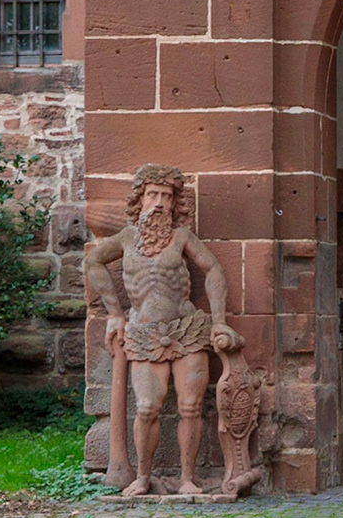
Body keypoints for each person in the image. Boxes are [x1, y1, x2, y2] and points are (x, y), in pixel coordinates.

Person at [84, 165, 242, 496]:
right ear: (140, 200)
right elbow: (93, 261)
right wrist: (114, 314)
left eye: (167, 197)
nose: (159, 203)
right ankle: (143, 477)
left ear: (174, 203)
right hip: (144, 333)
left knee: (191, 407)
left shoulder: (182, 237)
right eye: (153, 195)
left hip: (186, 331)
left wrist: (218, 320)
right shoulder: (127, 238)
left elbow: (213, 269)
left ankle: (187, 479)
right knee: (146, 408)